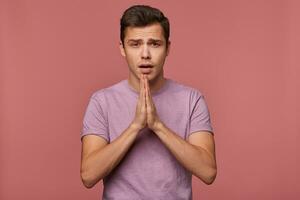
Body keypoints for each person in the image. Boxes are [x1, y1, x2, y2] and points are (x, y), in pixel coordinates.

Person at [80, 5, 217, 200]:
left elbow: (208, 171)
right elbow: (88, 175)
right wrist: (135, 126)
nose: (145, 54)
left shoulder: (192, 100)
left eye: (154, 44)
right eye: (135, 44)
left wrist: (158, 126)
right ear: (122, 48)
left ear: (168, 48)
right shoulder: (101, 101)